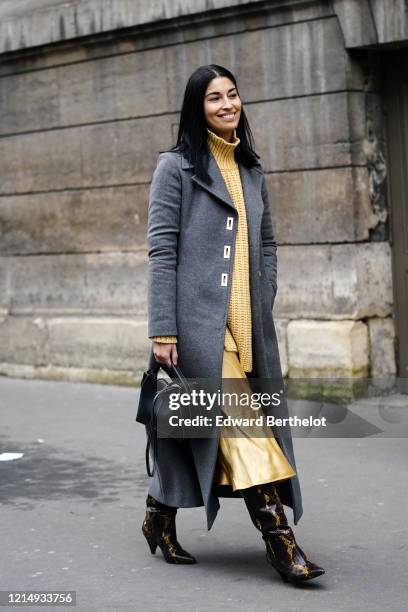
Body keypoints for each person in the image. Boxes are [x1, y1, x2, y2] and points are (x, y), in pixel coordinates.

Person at [142, 64, 325, 583]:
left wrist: (264, 293)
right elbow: (162, 250)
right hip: (199, 328)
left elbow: (266, 241)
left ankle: (158, 517)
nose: (227, 105)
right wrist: (163, 329)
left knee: (197, 428)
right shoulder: (176, 167)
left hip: (249, 327)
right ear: (196, 108)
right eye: (213, 98)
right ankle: (281, 545)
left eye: (233, 95)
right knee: (247, 431)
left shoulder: (251, 168)